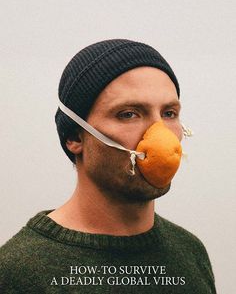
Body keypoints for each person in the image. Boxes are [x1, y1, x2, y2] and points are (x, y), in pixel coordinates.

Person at [0, 39, 217, 293]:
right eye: (128, 114)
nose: (162, 136)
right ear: (75, 137)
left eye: (169, 113)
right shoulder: (18, 274)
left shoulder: (190, 252)